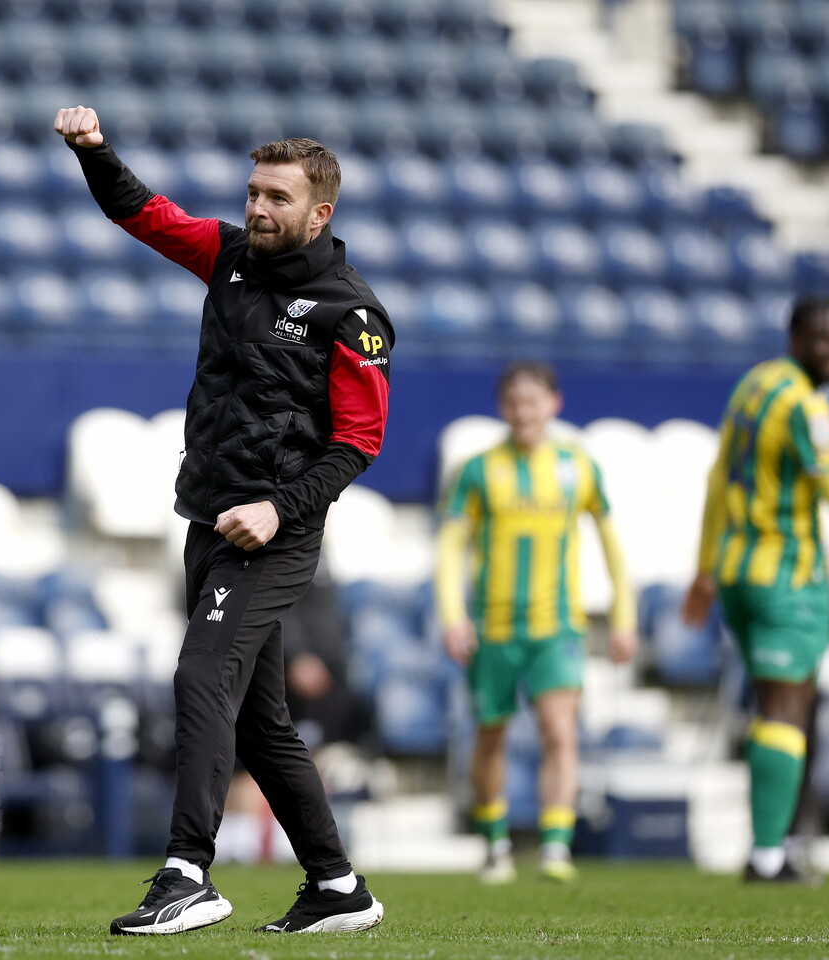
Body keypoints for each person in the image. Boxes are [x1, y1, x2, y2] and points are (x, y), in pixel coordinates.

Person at [55, 105, 392, 935]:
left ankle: (186, 871)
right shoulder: (229, 258)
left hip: (273, 533)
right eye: (252, 192)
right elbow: (144, 214)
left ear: (321, 213)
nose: (257, 209)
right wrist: (95, 153)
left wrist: (279, 511)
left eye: (277, 197)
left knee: (201, 675)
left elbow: (359, 444)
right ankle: (337, 885)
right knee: (258, 719)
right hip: (207, 517)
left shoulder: (351, 315)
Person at [682, 294, 829, 884]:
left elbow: (717, 478)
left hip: (737, 571)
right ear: (796, 339)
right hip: (785, 576)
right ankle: (768, 856)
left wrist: (706, 568)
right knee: (787, 711)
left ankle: (783, 841)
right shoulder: (806, 407)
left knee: (781, 709)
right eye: (823, 340)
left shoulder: (754, 385)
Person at [436, 361, 637, 884]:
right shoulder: (477, 469)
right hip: (495, 627)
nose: (524, 412)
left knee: (559, 731)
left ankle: (554, 847)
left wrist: (624, 616)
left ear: (554, 403)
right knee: (490, 737)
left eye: (534, 401)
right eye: (515, 402)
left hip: (558, 626)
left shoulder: (579, 466)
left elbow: (613, 544)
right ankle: (496, 845)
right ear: (504, 408)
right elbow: (450, 546)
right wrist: (453, 616)